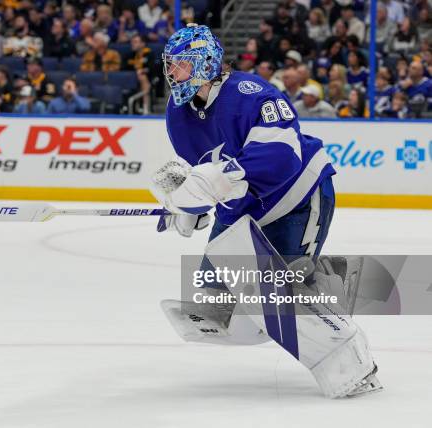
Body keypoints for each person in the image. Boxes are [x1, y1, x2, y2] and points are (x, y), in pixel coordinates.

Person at [153, 23, 381, 399]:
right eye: (170, 65)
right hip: (244, 207)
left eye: (181, 64)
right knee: (219, 304)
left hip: (295, 197)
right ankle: (320, 281)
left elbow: (282, 156)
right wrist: (191, 204)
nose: (172, 73)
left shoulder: (252, 94)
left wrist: (220, 177)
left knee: (281, 295)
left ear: (207, 63)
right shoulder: (178, 115)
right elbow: (201, 170)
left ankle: (351, 360)